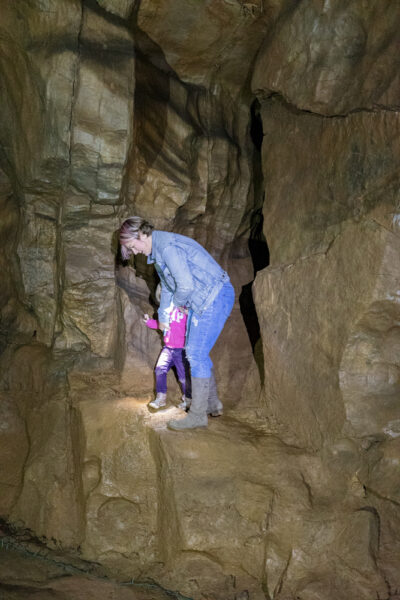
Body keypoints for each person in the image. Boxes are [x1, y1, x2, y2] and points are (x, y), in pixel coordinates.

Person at [119, 216, 234, 430]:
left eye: (132, 247)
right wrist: (163, 318)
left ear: (141, 234)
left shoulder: (168, 248)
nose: (134, 252)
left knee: (195, 353)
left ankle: (198, 415)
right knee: (198, 352)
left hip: (213, 297)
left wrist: (179, 306)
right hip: (203, 300)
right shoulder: (159, 251)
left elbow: (185, 286)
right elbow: (169, 288)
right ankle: (212, 404)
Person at [144, 284, 191, 411]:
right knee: (159, 369)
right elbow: (161, 325)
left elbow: (194, 323)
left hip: (181, 349)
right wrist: (149, 322)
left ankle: (188, 399)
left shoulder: (185, 308)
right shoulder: (166, 309)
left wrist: (188, 313)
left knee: (183, 376)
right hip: (168, 348)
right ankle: (161, 398)